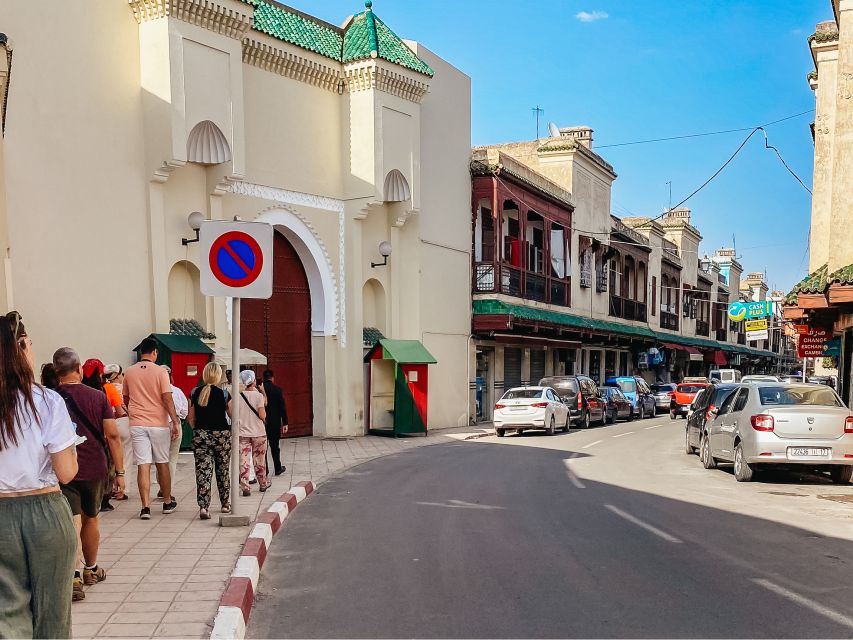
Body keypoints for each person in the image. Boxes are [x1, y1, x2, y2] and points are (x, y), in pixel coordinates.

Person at [0, 311, 78, 639]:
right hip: (45, 511)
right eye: (30, 344)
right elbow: (67, 472)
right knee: (53, 613)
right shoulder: (47, 401)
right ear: (20, 347)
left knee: (7, 615)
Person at [54, 348, 123, 602]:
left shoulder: (50, 398)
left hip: (62, 470)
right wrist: (121, 472)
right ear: (79, 369)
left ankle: (72, 576)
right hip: (95, 467)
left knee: (72, 521)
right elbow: (113, 435)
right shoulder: (98, 396)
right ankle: (91, 569)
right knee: (91, 519)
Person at [123, 338, 180, 519]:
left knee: (143, 464)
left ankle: (145, 507)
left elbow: (126, 398)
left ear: (141, 352)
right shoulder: (161, 372)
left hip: (137, 423)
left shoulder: (129, 372)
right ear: (155, 352)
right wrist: (175, 421)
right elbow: (167, 398)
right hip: (158, 424)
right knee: (162, 463)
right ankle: (167, 501)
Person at [188, 362, 232, 519]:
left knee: (203, 472)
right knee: (223, 470)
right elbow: (233, 415)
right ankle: (225, 504)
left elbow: (191, 418)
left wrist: (198, 430)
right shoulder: (224, 394)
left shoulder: (195, 392)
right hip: (221, 436)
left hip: (201, 436)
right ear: (218, 376)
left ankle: (204, 507)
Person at [81, 358, 123, 512]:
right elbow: (117, 413)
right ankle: (104, 498)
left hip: (82, 436)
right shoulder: (105, 390)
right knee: (107, 466)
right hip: (102, 435)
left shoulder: (78, 391)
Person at [229, 369, 269, 497]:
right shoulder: (258, 396)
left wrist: (237, 419)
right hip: (258, 433)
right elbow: (262, 415)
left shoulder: (238, 396)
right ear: (253, 381)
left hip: (243, 433)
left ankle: (245, 486)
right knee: (259, 459)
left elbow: (229, 409)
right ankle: (262, 483)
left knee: (244, 460)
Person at [158, 364, 188, 500]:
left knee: (160, 458)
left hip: (158, 425)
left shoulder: (154, 390)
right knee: (172, 458)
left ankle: (161, 486)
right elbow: (184, 411)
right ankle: (167, 489)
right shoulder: (177, 391)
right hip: (174, 423)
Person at [104, 363, 132, 499]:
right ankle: (122, 489)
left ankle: (112, 487)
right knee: (125, 456)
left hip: (107, 425)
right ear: (118, 375)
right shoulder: (123, 389)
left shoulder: (103, 388)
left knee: (112, 458)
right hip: (123, 422)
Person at [262, 369, 288, 476]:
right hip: (274, 422)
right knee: (274, 446)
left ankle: (265, 469)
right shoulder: (277, 390)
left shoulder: (259, 390)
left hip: (262, 422)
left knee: (263, 448)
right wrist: (285, 422)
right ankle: (277, 467)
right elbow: (282, 407)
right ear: (272, 378)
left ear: (263, 378)